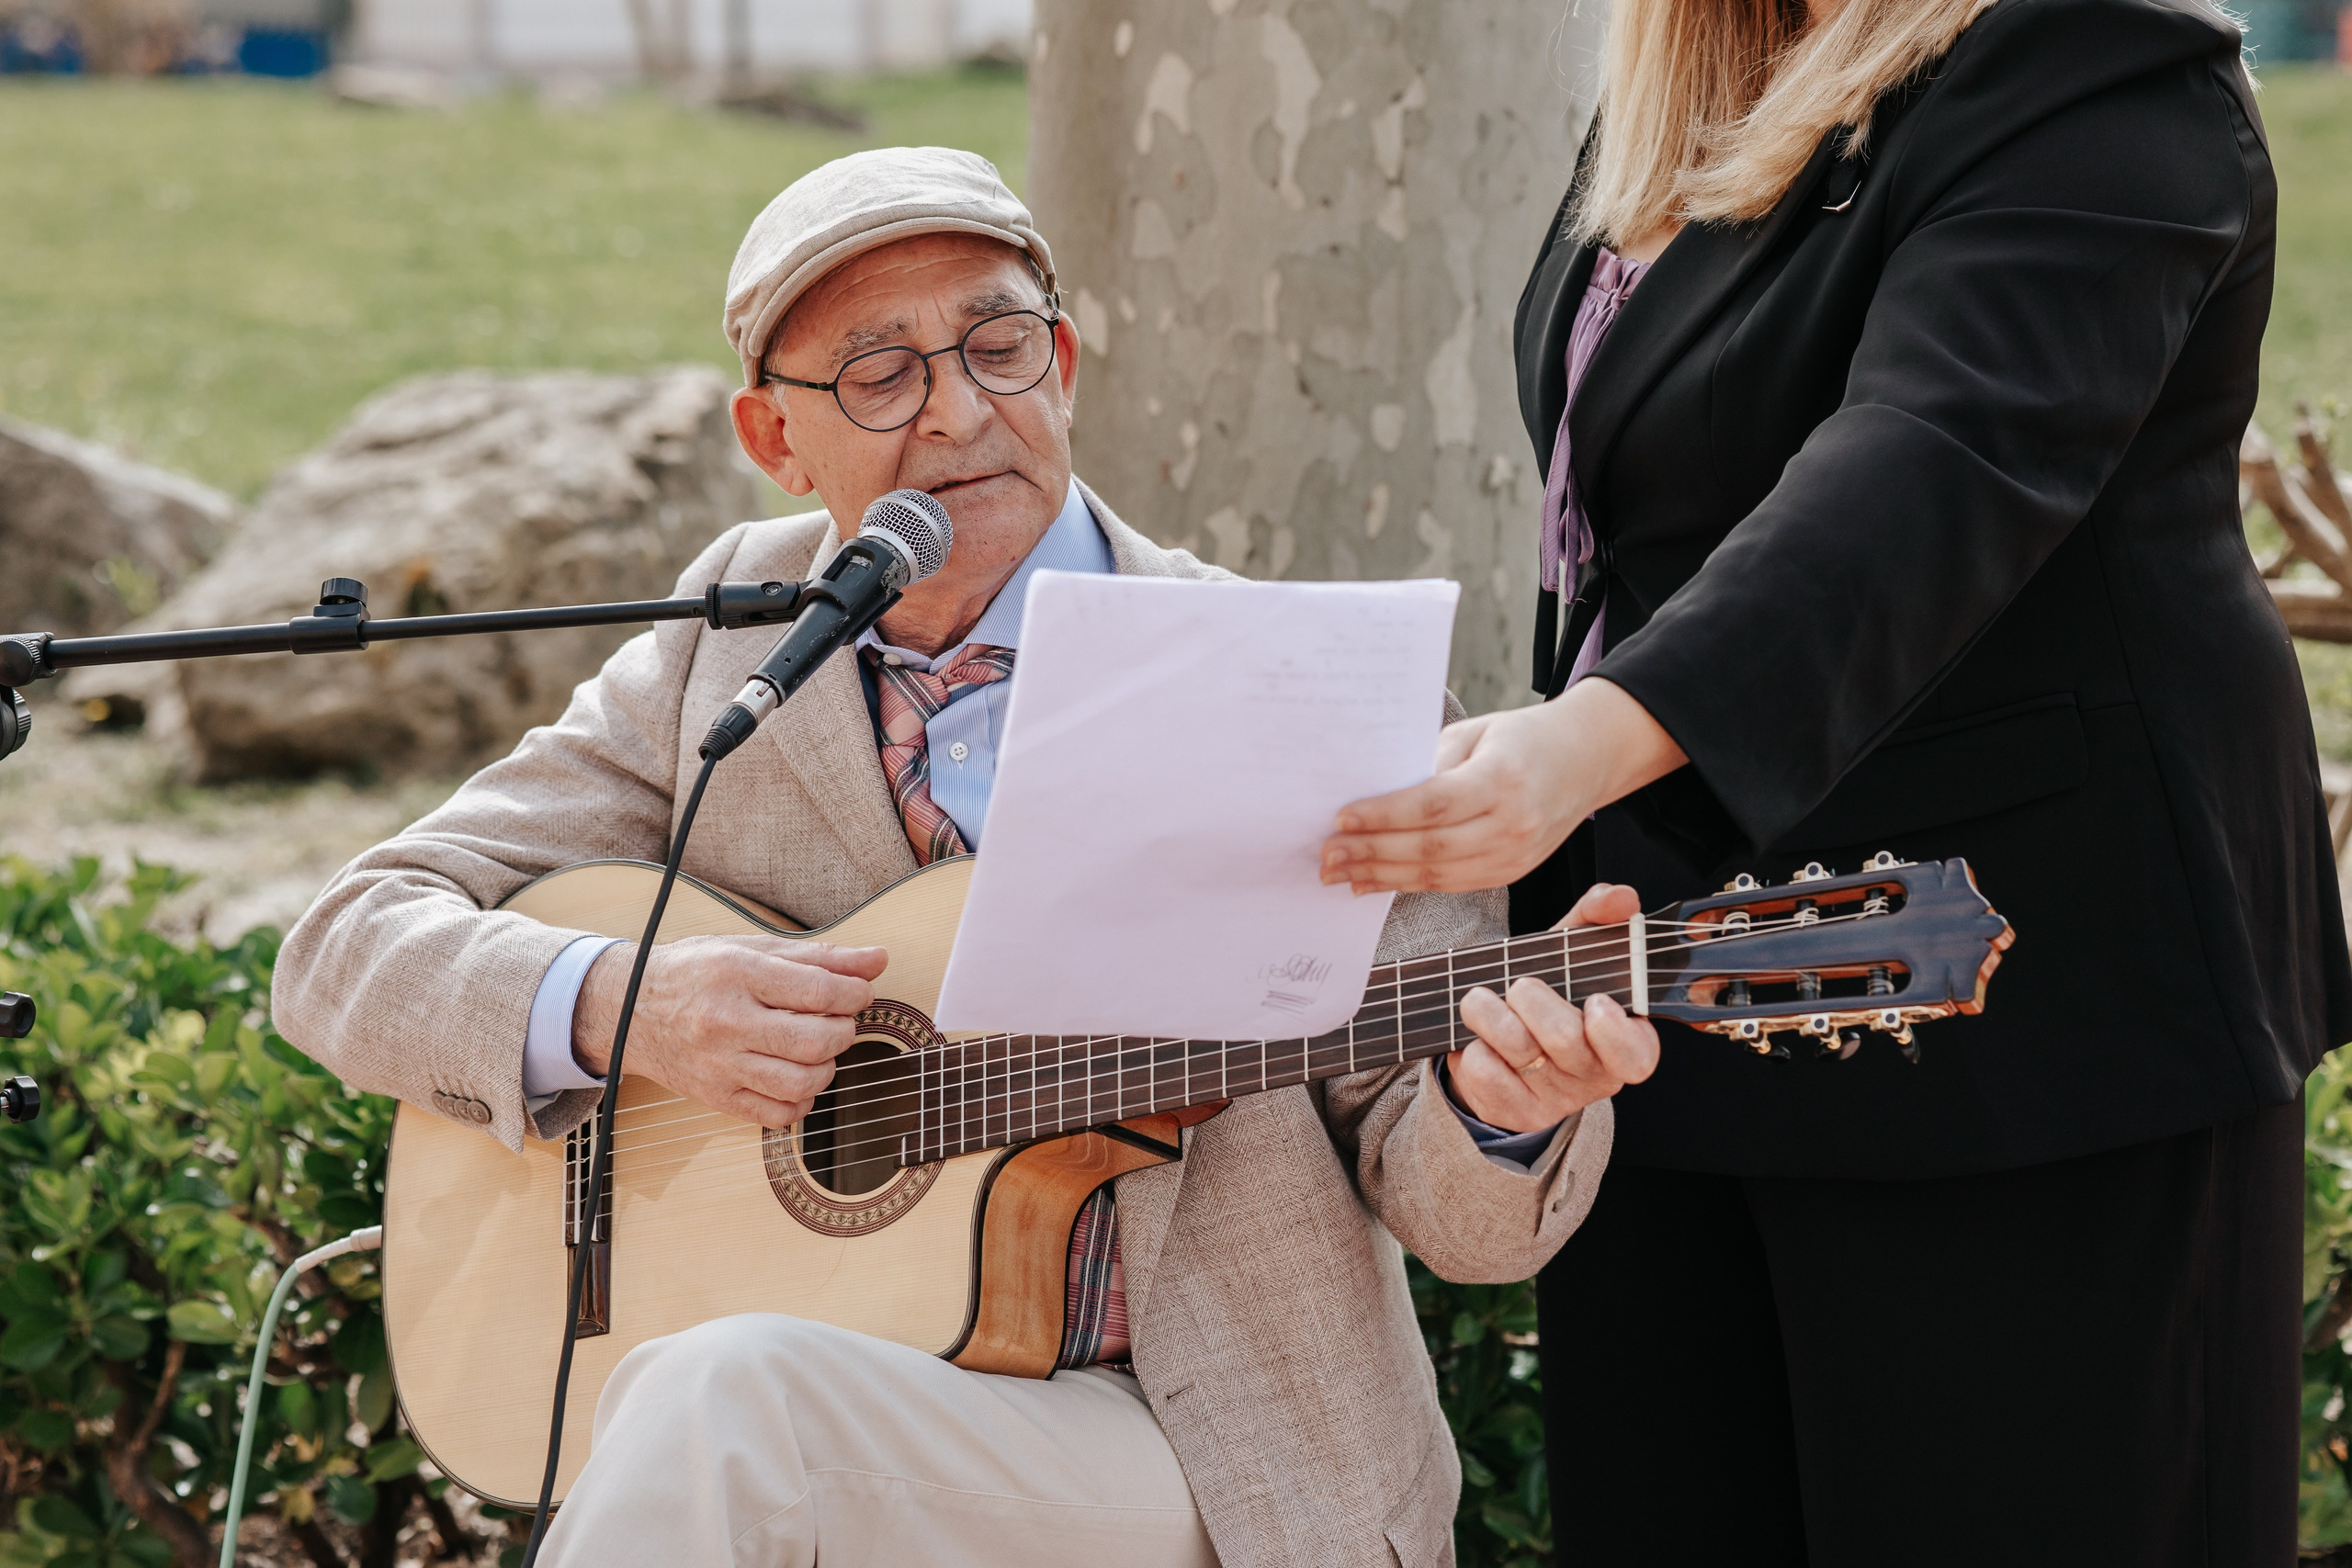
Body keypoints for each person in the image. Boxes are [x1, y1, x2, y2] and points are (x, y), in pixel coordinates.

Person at [273, 147, 1660, 1568]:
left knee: (724, 1404)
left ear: (1061, 361)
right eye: (879, 375)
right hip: (856, 1384)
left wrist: (1509, 1106)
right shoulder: (723, 653)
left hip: (1207, 1457)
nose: (957, 411)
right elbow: (341, 946)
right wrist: (634, 1006)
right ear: (774, 437)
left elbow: (1466, 1222)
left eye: (996, 346)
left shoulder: (1292, 681)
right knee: (733, 1399)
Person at [1320, 0, 2352, 1561]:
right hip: (1673, 998)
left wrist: (1581, 738)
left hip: (2021, 1018)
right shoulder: (1704, 79)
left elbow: (1933, 463)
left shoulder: (2098, 60)